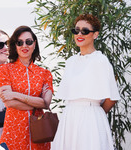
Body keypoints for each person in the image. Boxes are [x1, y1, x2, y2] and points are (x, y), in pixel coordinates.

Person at [51, 14, 120, 150]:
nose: (79, 34)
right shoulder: (71, 61)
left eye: (85, 31)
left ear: (95, 35)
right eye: (76, 30)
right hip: (69, 117)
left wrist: (95, 112)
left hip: (91, 117)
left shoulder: (101, 60)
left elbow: (112, 97)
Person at [0, 25, 53, 150]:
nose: (24, 46)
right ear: (14, 45)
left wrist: (15, 95)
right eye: (19, 42)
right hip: (14, 132)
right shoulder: (4, 69)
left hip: (39, 134)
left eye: (28, 42)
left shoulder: (45, 74)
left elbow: (46, 104)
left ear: (34, 44)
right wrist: (37, 102)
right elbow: (9, 103)